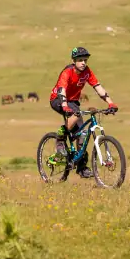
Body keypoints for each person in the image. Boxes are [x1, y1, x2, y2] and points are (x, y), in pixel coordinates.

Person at [49, 47, 117, 178]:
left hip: (73, 102)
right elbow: (61, 90)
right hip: (58, 99)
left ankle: (81, 167)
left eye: (85, 60)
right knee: (75, 114)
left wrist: (110, 103)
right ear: (73, 61)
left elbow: (97, 86)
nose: (83, 63)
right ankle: (60, 140)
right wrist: (64, 106)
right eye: (80, 60)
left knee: (82, 134)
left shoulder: (87, 72)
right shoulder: (67, 72)